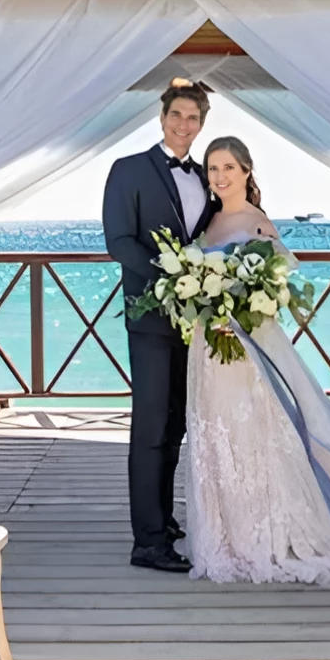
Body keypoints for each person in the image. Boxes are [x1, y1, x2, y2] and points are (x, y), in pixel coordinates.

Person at [181, 136, 330, 584]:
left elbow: (279, 285)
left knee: (256, 433)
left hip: (249, 349)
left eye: (228, 167)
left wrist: (241, 310)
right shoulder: (208, 223)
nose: (220, 176)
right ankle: (226, 531)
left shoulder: (256, 221)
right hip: (210, 349)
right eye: (213, 168)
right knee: (220, 434)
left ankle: (269, 533)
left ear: (247, 171)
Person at [103, 79, 217, 572]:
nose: (184, 125)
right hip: (151, 315)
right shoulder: (127, 170)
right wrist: (173, 277)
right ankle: (147, 541)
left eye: (193, 118)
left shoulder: (206, 178)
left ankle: (164, 518)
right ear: (162, 116)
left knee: (176, 423)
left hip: (195, 323)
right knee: (150, 426)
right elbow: (120, 242)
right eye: (177, 115)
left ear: (202, 124)